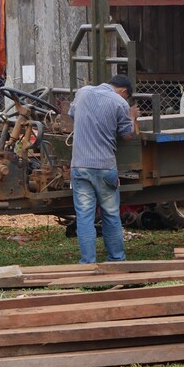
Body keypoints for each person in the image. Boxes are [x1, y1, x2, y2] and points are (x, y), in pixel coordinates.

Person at [68, 74, 140, 264]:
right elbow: (126, 135)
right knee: (110, 214)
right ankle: (116, 259)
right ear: (124, 91)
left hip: (79, 165)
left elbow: (73, 115)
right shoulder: (120, 103)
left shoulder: (82, 93)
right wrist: (132, 117)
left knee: (84, 217)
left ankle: (87, 262)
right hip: (105, 167)